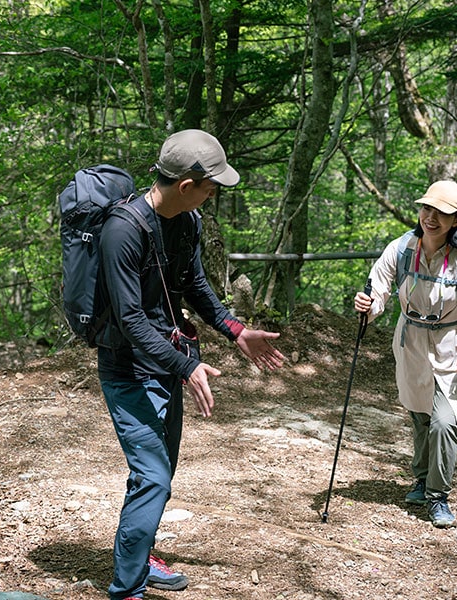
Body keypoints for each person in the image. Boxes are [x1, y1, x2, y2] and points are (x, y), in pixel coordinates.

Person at [94, 129, 285, 599]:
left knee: (159, 475)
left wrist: (235, 330)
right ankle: (127, 590)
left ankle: (140, 559)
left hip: (168, 362)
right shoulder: (122, 231)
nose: (214, 193)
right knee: (154, 476)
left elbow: (195, 286)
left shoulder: (188, 221)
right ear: (186, 184)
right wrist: (186, 367)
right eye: (210, 184)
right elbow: (131, 320)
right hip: (128, 369)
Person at [353, 180, 457, 528]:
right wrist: (367, 307)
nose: (431, 218)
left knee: (445, 421)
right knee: (420, 414)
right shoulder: (400, 250)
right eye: (427, 209)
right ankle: (420, 478)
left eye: (442, 213)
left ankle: (438, 496)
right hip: (411, 342)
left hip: (452, 348)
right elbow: (379, 292)